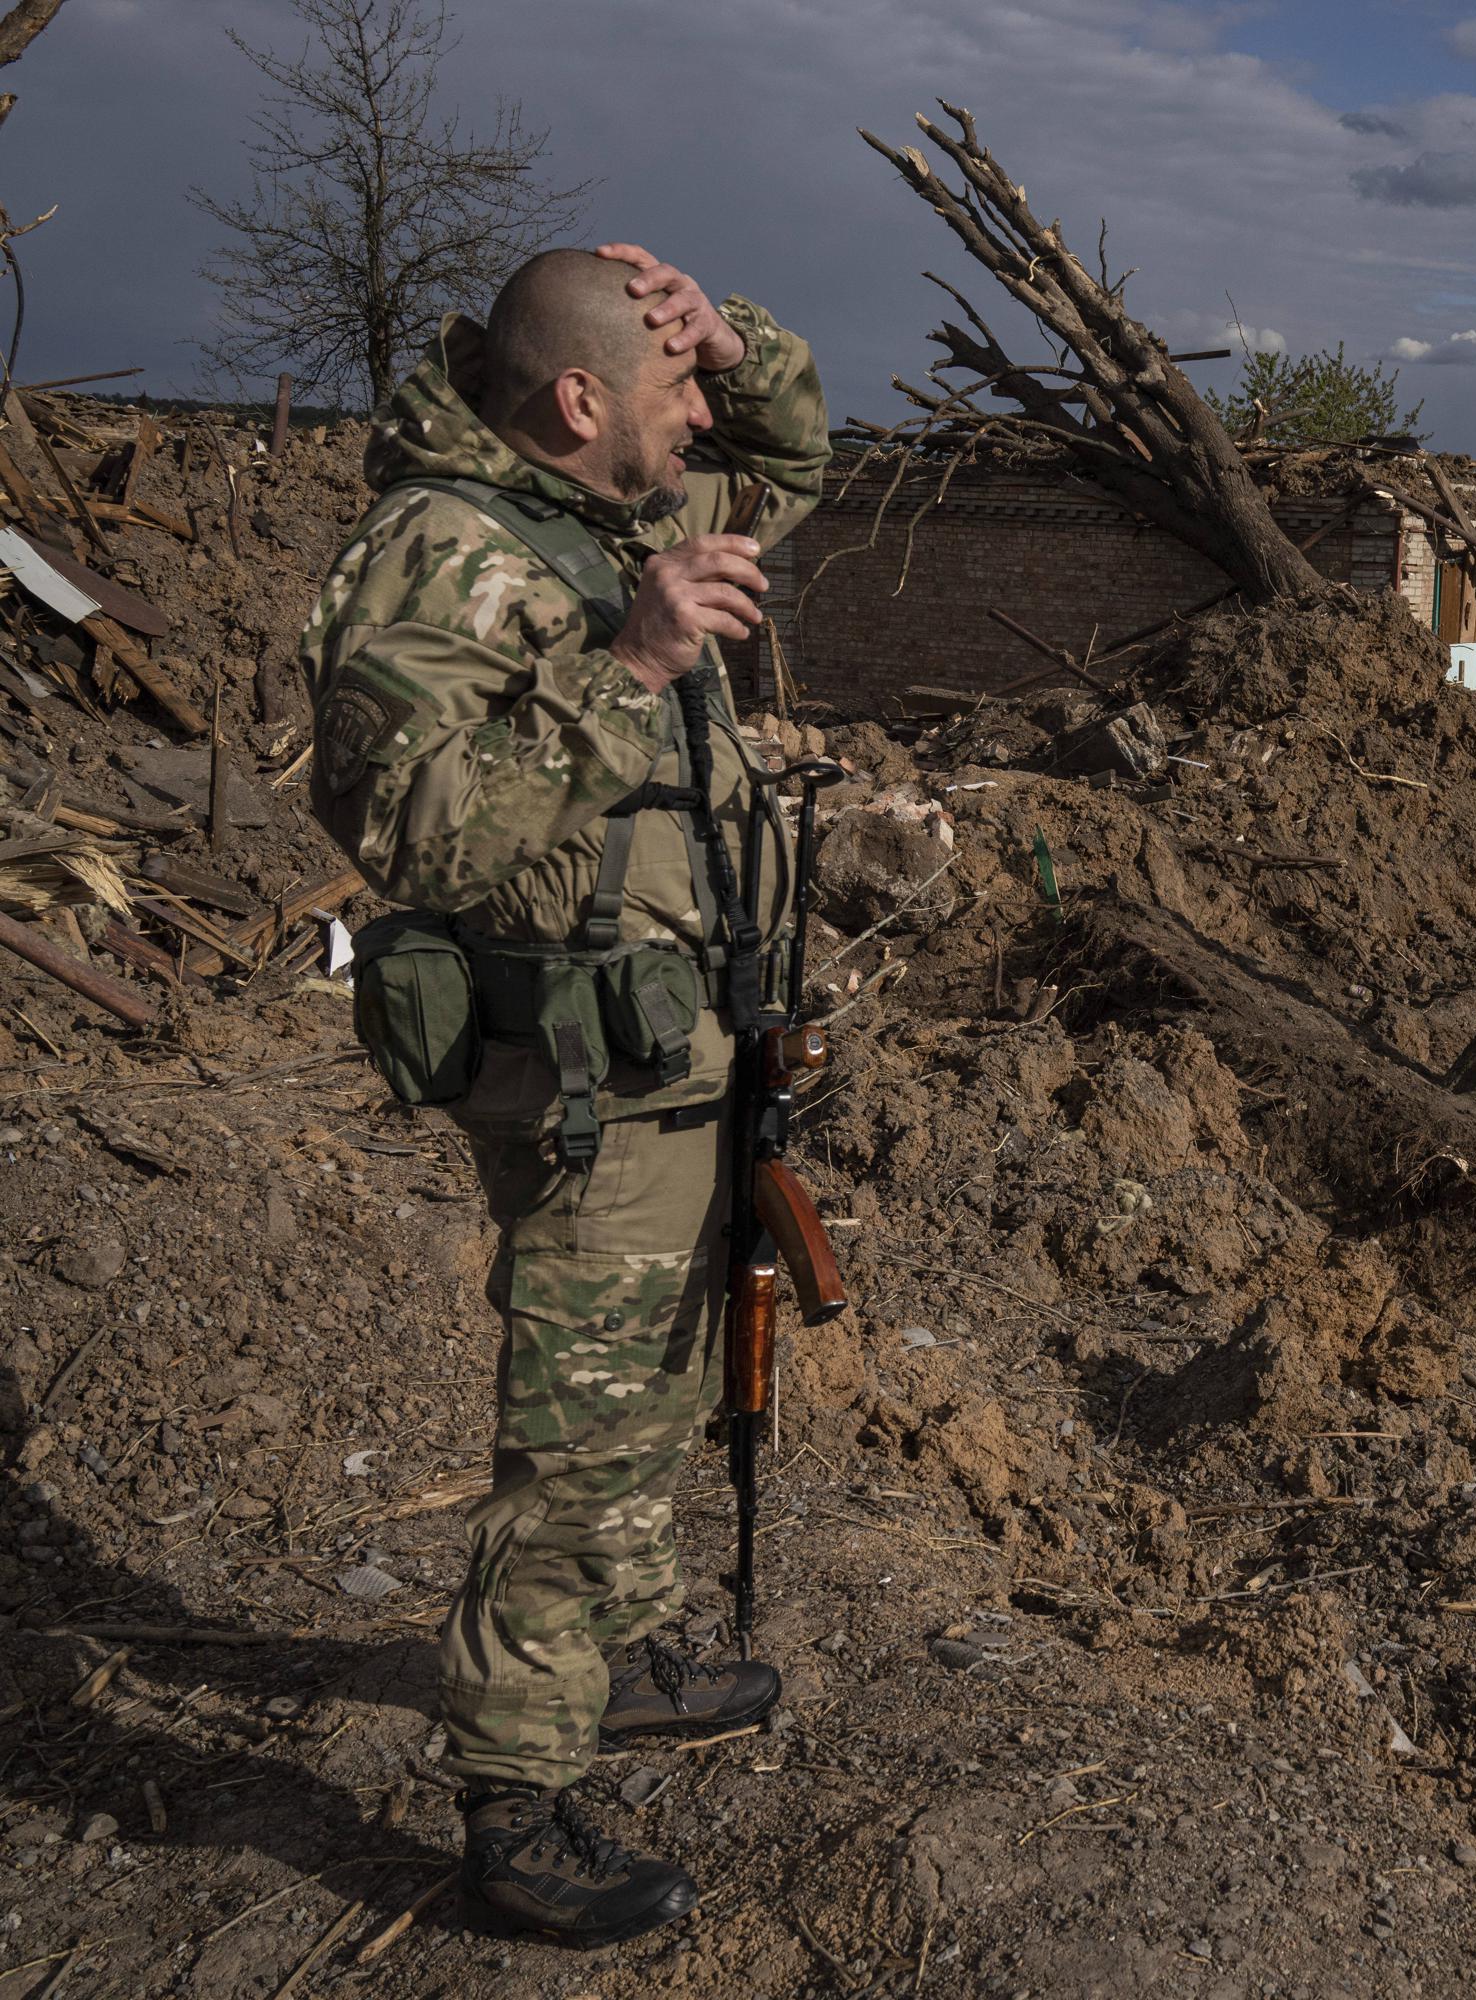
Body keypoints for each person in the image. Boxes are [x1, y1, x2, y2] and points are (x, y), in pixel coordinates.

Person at [298, 243, 829, 1945]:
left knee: (655, 1389)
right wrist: (632, 672)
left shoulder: (614, 519)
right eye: (677, 393)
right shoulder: (435, 562)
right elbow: (423, 836)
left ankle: (629, 1649)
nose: (704, 423)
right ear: (581, 403)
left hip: (684, 1050)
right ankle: (515, 1803)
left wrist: (734, 347)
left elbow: (801, 466)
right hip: (583, 1070)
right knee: (574, 1449)